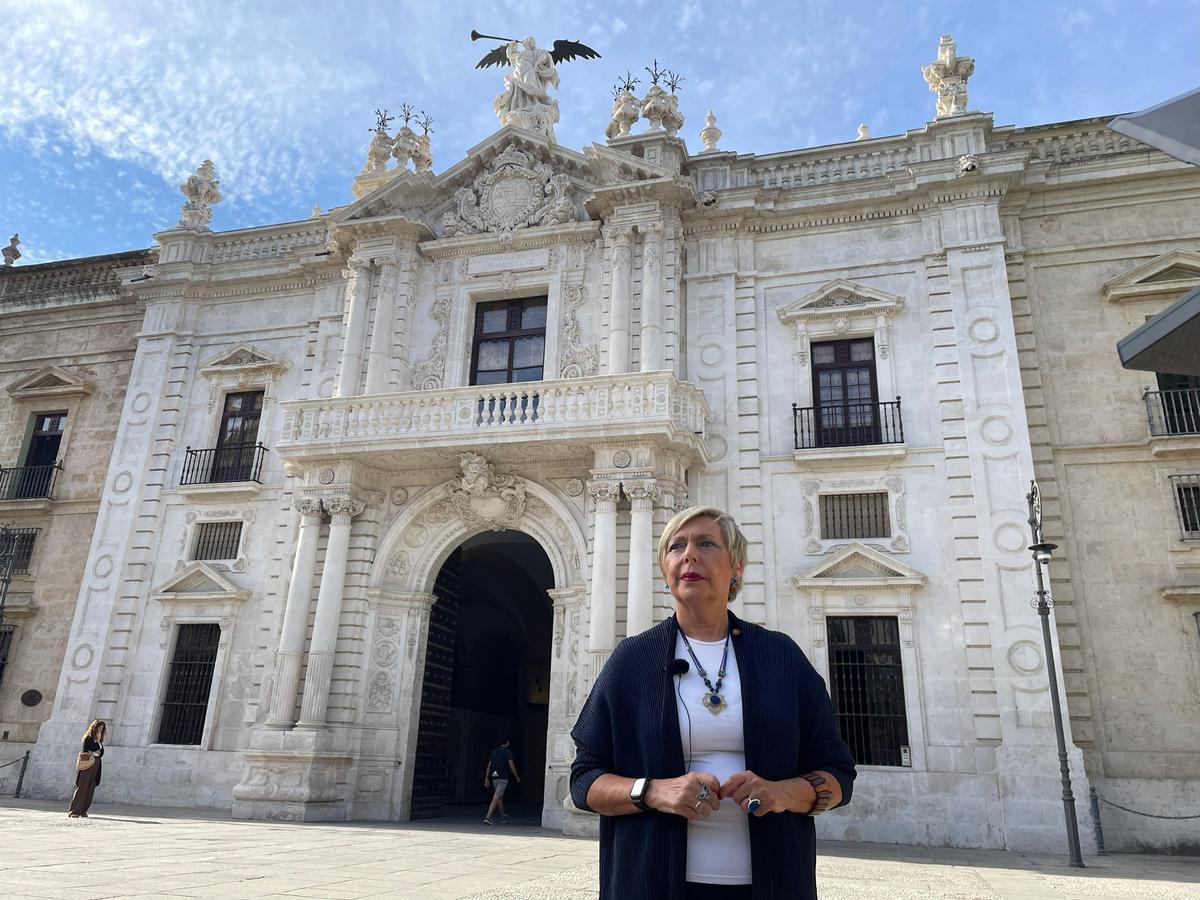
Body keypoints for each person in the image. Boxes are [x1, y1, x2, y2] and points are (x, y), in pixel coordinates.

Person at [570, 506, 856, 900]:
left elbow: (839, 775)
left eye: (706, 543)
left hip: (772, 884)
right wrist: (653, 791)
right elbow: (584, 781)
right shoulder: (632, 660)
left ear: (736, 567)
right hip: (650, 884)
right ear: (665, 571)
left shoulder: (781, 657)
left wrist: (782, 793)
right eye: (676, 546)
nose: (689, 554)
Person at [68, 719, 106, 818]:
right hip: (88, 763)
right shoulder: (89, 738)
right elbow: (92, 748)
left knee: (91, 787)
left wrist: (98, 743)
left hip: (96, 763)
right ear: (94, 728)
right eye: (99, 728)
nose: (100, 731)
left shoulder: (100, 740)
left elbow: (101, 753)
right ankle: (75, 810)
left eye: (102, 729)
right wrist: (97, 742)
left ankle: (83, 811)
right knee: (82, 787)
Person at [483, 739, 521, 825]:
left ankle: (502, 817)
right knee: (496, 797)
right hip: (503, 779)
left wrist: (486, 778)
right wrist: (516, 776)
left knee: (499, 797)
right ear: (507, 743)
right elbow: (511, 765)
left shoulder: (494, 751)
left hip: (494, 777)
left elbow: (489, 765)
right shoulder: (508, 752)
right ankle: (487, 817)